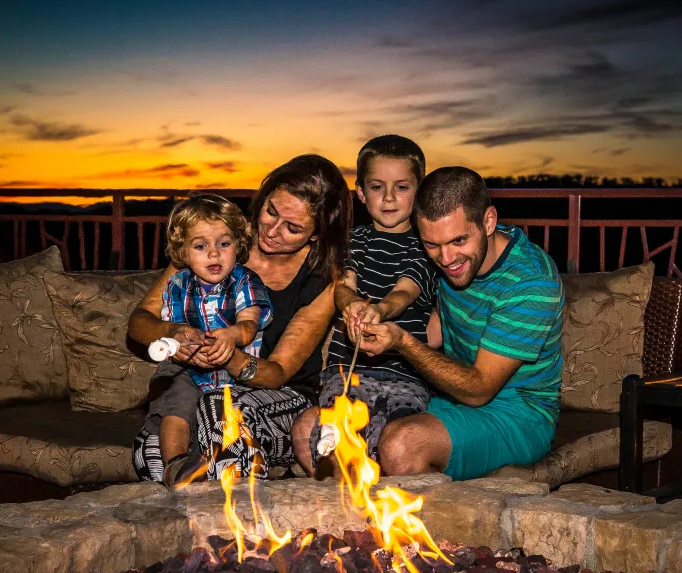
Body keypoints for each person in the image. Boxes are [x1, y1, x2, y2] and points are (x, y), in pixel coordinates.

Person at [128, 154, 351, 481]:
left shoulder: (321, 279)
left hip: (280, 399)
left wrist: (228, 356)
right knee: (151, 457)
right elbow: (139, 323)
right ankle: (197, 519)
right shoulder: (216, 238)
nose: (272, 231)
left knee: (221, 410)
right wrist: (174, 332)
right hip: (196, 386)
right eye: (271, 211)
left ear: (316, 234)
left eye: (293, 228)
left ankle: (243, 522)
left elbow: (276, 373)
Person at [357, 166, 564, 480]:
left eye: (458, 241)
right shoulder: (453, 255)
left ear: (489, 221)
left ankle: (429, 529)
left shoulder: (531, 282)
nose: (446, 258)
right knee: (330, 431)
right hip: (449, 397)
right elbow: (441, 323)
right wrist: (376, 330)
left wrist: (402, 342)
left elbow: (478, 389)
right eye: (432, 245)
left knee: (403, 446)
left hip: (519, 413)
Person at [291, 135, 436, 473]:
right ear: (360, 192)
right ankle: (341, 488)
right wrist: (352, 304)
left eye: (401, 187)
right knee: (335, 424)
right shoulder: (354, 239)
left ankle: (381, 497)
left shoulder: (426, 244)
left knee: (397, 433)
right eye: (377, 187)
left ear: (419, 192)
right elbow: (344, 284)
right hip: (349, 370)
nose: (388, 198)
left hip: (406, 375)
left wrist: (381, 310)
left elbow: (406, 290)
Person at [135, 195, 272, 485]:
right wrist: (179, 343)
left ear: (238, 245)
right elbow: (170, 327)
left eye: (224, 244)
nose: (214, 254)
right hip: (187, 368)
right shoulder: (176, 284)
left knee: (225, 413)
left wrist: (233, 335)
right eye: (200, 246)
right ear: (182, 252)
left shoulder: (245, 281)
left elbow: (250, 323)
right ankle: (176, 466)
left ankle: (229, 468)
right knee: (177, 403)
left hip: (235, 375)